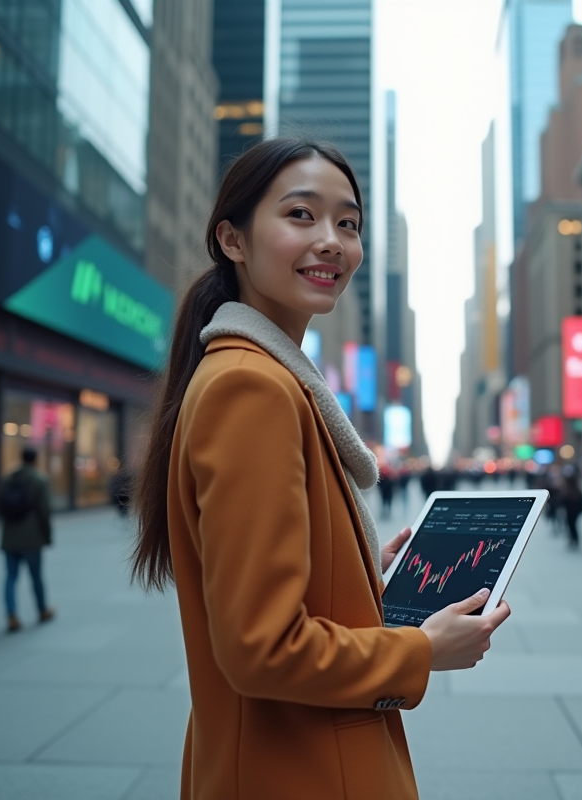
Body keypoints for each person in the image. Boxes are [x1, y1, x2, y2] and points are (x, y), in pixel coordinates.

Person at [129, 138, 510, 800]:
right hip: (301, 773)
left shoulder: (265, 378)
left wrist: (363, 573)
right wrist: (424, 651)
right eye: (301, 215)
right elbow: (262, 649)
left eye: (349, 223)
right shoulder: (252, 389)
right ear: (234, 240)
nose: (332, 240)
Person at [0, 448, 55, 632]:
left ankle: (11, 615)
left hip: (10, 536)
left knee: (10, 576)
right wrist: (47, 536)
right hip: (32, 536)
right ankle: (42, 610)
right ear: (35, 460)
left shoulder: (8, 479)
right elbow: (44, 511)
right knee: (36, 575)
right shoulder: (39, 480)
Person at [561, 469, 582, 549]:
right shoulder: (576, 488)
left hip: (571, 511)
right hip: (574, 511)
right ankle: (574, 539)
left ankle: (573, 539)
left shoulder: (569, 489)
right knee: (572, 525)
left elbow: (563, 499)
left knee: (571, 525)